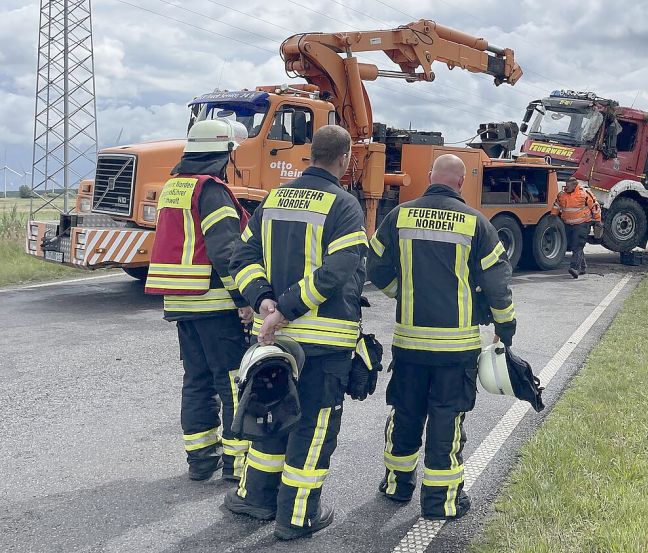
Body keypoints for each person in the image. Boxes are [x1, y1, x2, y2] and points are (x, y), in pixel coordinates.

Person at [224, 125, 368, 540]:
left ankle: (254, 497)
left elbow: (243, 256)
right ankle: (298, 516)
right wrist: (284, 308)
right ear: (344, 159)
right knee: (314, 426)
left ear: (309, 155)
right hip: (323, 344)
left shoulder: (274, 198)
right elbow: (338, 272)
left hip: (274, 342)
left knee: (273, 414)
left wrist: (264, 299)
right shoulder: (343, 205)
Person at [367, 154, 517, 520]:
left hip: (409, 344)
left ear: (430, 176)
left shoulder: (399, 216)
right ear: (461, 184)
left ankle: (396, 486)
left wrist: (402, 292)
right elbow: (497, 286)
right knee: (447, 421)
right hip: (456, 349)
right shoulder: (477, 224)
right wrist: (505, 327)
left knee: (404, 414)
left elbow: (375, 267)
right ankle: (441, 501)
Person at [144, 119, 253, 482]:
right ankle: (238, 463)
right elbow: (225, 250)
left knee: (197, 380)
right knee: (233, 380)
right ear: (222, 154)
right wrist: (244, 297)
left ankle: (200, 458)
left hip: (181, 301)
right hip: (214, 301)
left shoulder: (174, 187)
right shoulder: (212, 190)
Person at [552, 176, 602, 279]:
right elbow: (556, 205)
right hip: (568, 224)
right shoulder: (562, 195)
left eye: (568, 186)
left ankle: (575, 268)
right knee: (573, 246)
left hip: (583, 223)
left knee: (578, 245)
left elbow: (595, 207)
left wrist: (597, 221)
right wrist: (553, 216)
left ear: (575, 185)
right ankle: (583, 267)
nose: (566, 187)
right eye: (565, 185)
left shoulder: (584, 193)